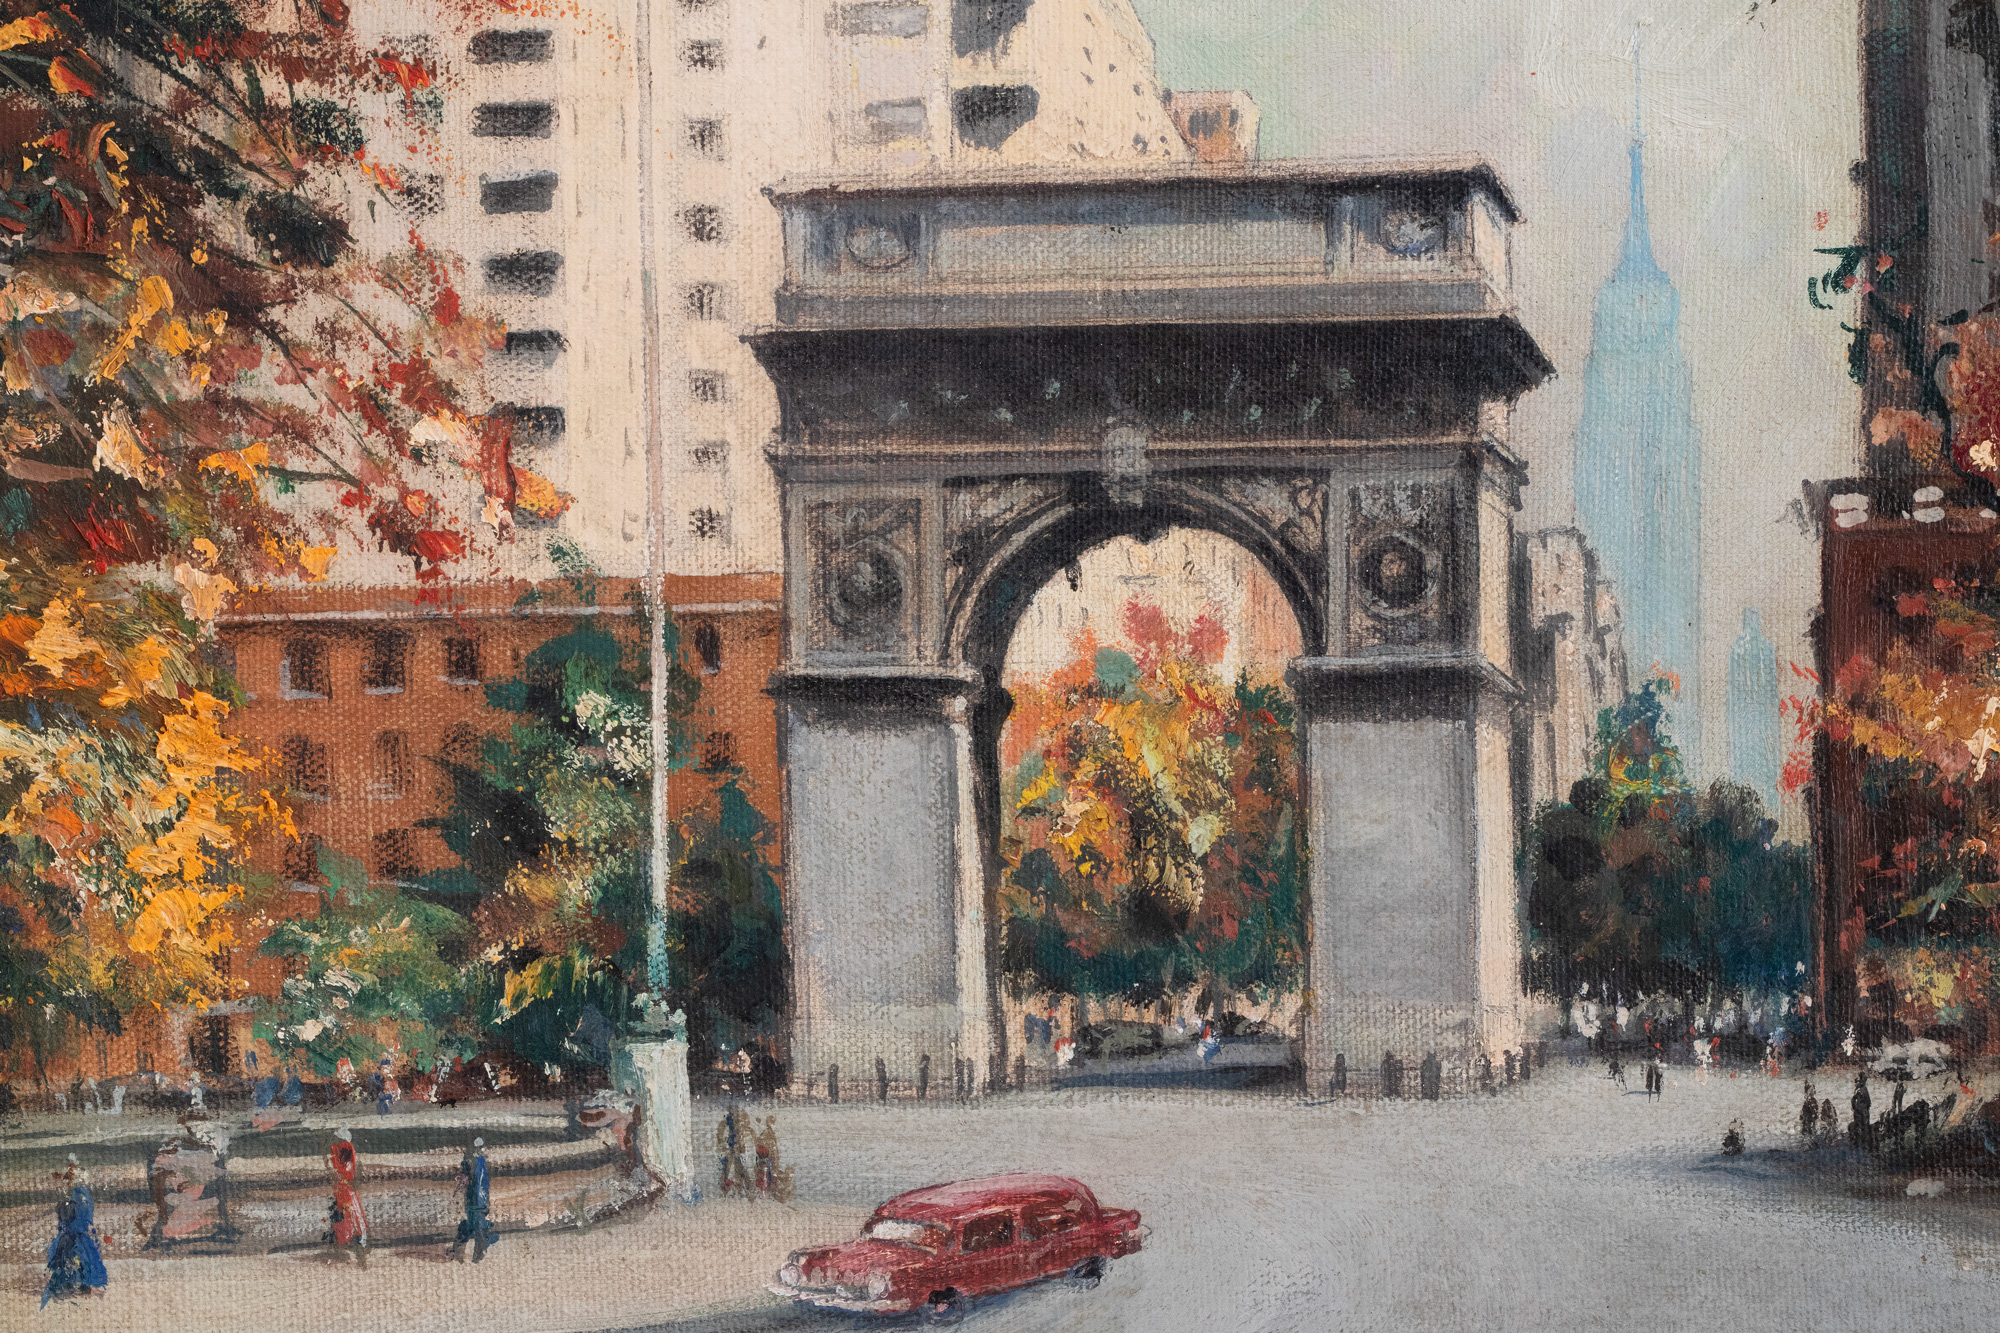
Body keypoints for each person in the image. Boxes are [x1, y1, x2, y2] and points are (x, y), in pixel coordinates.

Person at [42, 1156, 106, 1306]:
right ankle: (74, 1285)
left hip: (75, 1233)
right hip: (72, 1232)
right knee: (70, 1258)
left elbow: (80, 1215)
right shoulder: (75, 1191)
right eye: (69, 1167)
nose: (70, 1170)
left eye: (72, 1167)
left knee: (76, 1258)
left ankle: (81, 1286)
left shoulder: (79, 1192)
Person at [325, 1129, 368, 1265]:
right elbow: (347, 1169)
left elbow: (341, 1169)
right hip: (345, 1188)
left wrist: (330, 1165)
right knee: (351, 1214)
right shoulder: (346, 1148)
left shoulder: (342, 1148)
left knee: (347, 1213)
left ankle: (349, 1242)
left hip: (344, 1189)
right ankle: (356, 1242)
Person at [451, 1138, 498, 1262]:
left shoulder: (472, 1161)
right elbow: (482, 1184)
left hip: (475, 1201)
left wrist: (458, 1190)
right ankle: (472, 1255)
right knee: (476, 1228)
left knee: (471, 1227)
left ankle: (460, 1254)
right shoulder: (482, 1162)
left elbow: (468, 1179)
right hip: (479, 1201)